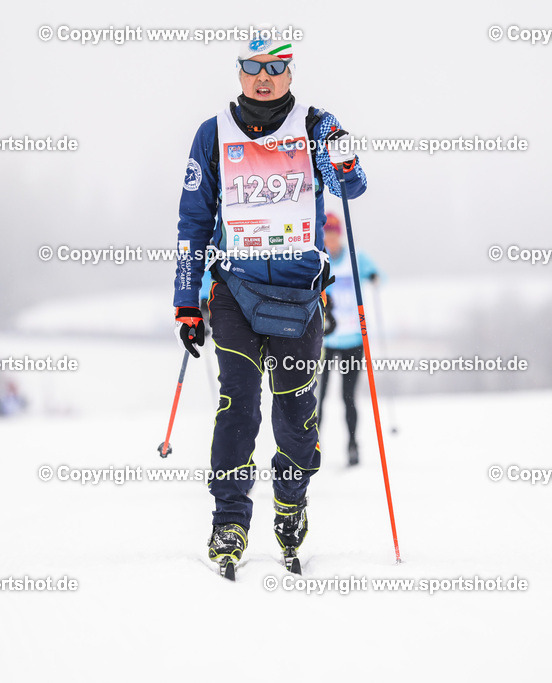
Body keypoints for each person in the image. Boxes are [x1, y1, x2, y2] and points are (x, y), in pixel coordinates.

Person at [172, 33, 367, 578]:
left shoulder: (315, 126)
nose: (264, 78)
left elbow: (351, 188)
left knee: (297, 419)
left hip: (301, 298)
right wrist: (187, 303)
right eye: (253, 68)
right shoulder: (213, 134)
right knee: (239, 408)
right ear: (239, 74)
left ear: (290, 72)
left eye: (275, 68)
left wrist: (345, 163)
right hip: (235, 290)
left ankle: (291, 500)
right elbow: (192, 224)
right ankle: (229, 520)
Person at [318, 212, 379, 466]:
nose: (330, 240)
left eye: (333, 234)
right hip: (324, 341)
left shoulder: (355, 257)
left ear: (339, 235)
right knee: (316, 398)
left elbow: (376, 274)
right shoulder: (319, 258)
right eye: (325, 235)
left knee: (348, 397)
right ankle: (311, 446)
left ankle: (353, 445)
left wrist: (373, 277)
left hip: (353, 339)